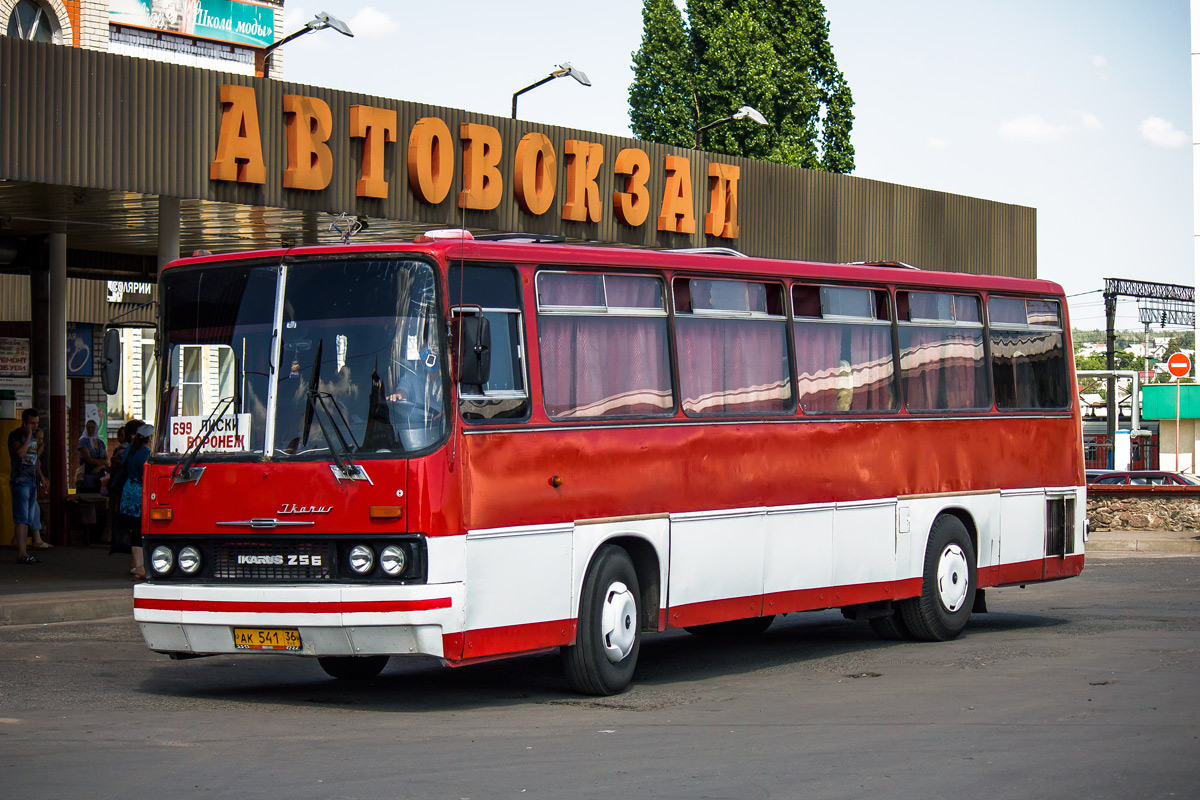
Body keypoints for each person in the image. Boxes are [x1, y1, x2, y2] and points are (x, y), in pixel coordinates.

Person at [8, 408, 51, 563]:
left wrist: (40, 476)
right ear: (25, 422)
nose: (34, 426)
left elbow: (32, 460)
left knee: (28, 517)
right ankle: (21, 552)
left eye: (37, 423)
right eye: (32, 423)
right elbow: (20, 453)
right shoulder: (16, 435)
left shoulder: (34, 437)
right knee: (21, 517)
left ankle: (24, 551)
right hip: (20, 479)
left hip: (31, 479)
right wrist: (28, 436)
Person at [112, 420, 151, 581]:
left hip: (128, 492)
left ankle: (133, 565)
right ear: (148, 439)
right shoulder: (145, 454)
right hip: (140, 493)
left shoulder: (129, 449)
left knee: (133, 528)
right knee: (138, 531)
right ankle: (140, 568)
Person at [76, 419, 109, 492]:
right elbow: (88, 458)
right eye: (88, 428)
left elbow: (106, 459)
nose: (90, 430)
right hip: (87, 473)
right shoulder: (83, 441)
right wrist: (103, 463)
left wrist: (100, 467)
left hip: (100, 474)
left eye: (92, 428)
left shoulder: (100, 443)